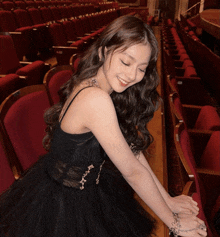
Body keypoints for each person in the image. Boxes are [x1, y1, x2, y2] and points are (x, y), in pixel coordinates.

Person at [0, 15, 207, 237]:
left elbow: (133, 152)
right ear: (103, 51)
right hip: (65, 200)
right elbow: (132, 171)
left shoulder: (103, 85)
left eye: (141, 68)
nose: (132, 75)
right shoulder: (96, 99)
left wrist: (169, 201)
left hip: (87, 185)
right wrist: (174, 223)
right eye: (126, 62)